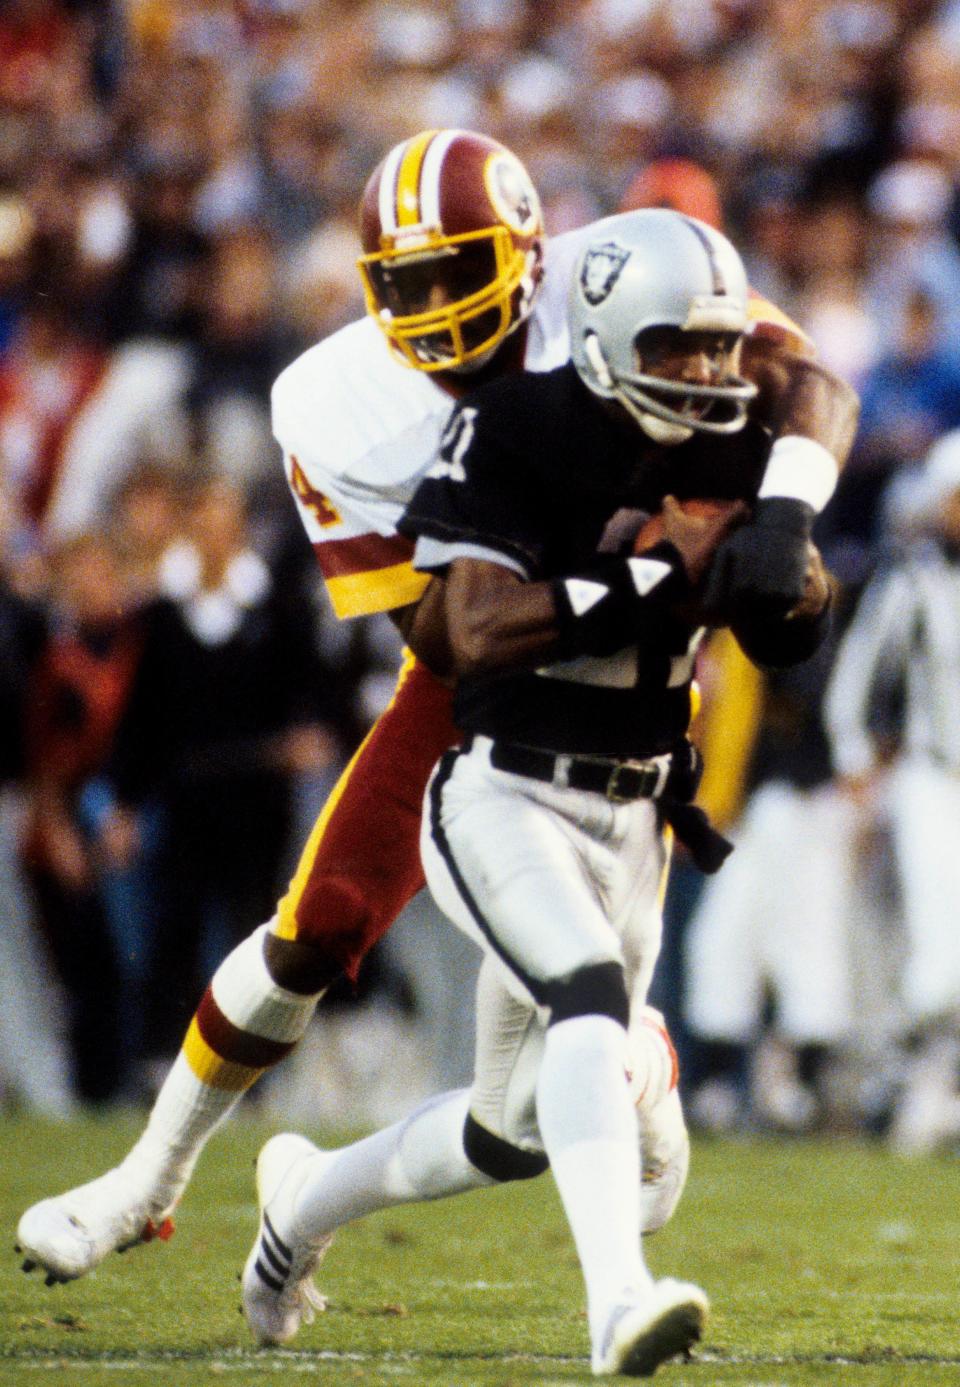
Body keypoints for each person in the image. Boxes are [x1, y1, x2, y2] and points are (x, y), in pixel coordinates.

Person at [17, 129, 857, 1286]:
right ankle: (144, 1182)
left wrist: (783, 516)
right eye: (408, 286)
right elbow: (445, 634)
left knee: (522, 1125)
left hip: (640, 681)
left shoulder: (603, 274)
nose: (441, 311)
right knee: (314, 924)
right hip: (499, 668)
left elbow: (807, 383)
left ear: (530, 253)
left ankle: (357, 1177)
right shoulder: (330, 399)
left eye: (463, 274)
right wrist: (648, 575)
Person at [238, 209, 835, 1376]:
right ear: (607, 335)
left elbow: (790, 623)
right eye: (680, 347)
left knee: (508, 1131)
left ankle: (299, 1206)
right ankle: (619, 1300)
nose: (709, 371)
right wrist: (658, 569)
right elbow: (473, 626)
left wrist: (786, 564)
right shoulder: (516, 426)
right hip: (506, 793)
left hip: (636, 813)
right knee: (587, 998)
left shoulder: (733, 442)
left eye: (719, 347)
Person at [824, 428, 960, 1154]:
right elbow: (858, 672)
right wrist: (852, 755)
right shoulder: (913, 580)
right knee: (941, 957)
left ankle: (917, 1080)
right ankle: (904, 1080)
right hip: (935, 780)